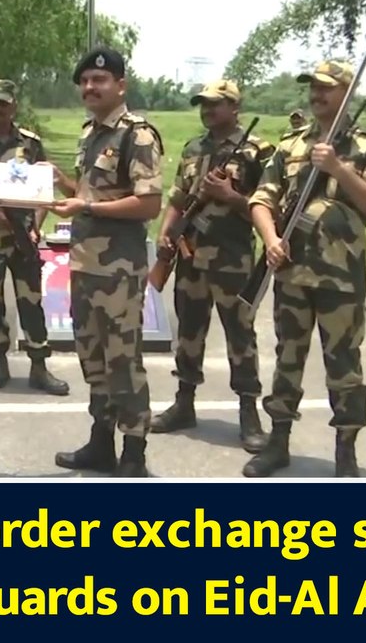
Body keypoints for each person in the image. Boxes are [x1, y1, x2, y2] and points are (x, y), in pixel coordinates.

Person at [243, 60, 366, 478]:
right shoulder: (291, 145)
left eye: (326, 88)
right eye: (313, 87)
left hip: (341, 276)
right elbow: (262, 199)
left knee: (343, 363)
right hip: (292, 272)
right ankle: (277, 442)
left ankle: (345, 450)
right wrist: (271, 239)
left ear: (347, 91)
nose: (316, 94)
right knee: (286, 358)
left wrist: (339, 169)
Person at [48, 46, 164, 477]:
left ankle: (133, 454)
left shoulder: (138, 135)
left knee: (123, 361)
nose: (90, 87)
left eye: (100, 80)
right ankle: (101, 443)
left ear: (120, 85)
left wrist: (87, 208)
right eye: (85, 81)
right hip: (84, 266)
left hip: (118, 271)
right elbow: (89, 190)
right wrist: (57, 184)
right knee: (92, 358)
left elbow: (148, 203)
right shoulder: (90, 133)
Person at [149, 79, 273, 453]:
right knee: (189, 332)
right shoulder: (193, 148)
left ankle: (249, 413)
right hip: (190, 258)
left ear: (235, 107)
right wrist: (166, 234)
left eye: (215, 104)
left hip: (233, 260)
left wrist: (231, 196)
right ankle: (184, 402)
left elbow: (268, 207)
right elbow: (179, 198)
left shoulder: (256, 152)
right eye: (203, 105)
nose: (207, 110)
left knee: (240, 338)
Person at [0, 79, 69, 395]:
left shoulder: (30, 144)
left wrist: (35, 227)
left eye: (4, 103)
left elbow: (43, 188)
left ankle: (39, 367)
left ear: (14, 106)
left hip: (24, 236)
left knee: (31, 302)